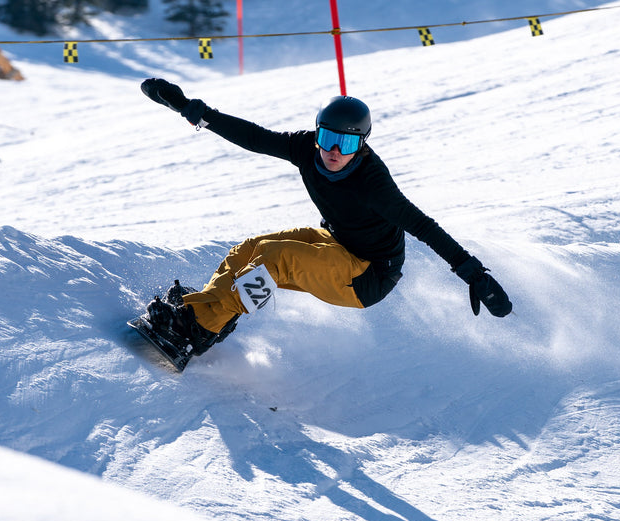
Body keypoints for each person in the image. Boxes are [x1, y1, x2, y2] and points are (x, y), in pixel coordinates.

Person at [139, 77, 512, 361]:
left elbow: (424, 226)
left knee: (276, 256)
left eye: (347, 143)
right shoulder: (307, 148)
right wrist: (194, 110)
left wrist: (475, 273)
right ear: (318, 132)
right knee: (251, 249)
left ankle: (197, 327)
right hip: (336, 241)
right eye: (329, 138)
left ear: (362, 145)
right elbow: (255, 137)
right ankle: (206, 319)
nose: (334, 151)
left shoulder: (373, 184)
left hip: (368, 275)